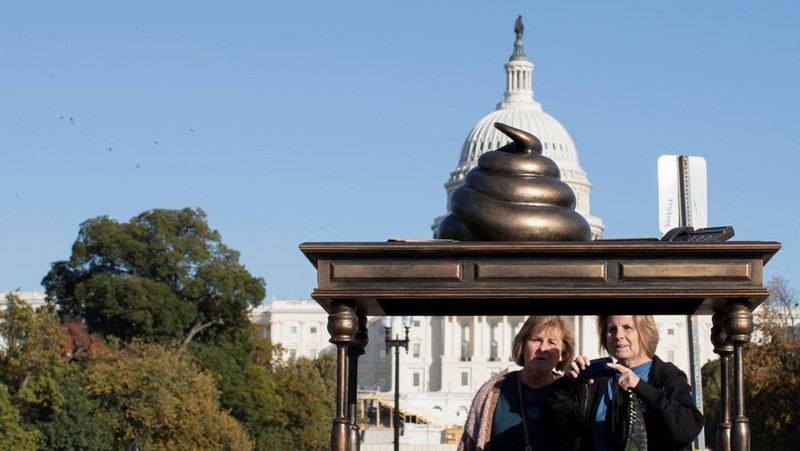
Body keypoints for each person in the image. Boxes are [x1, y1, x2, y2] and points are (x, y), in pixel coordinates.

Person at [546, 315, 704, 451]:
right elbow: (559, 426)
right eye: (611, 329)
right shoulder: (597, 379)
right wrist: (568, 384)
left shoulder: (666, 376)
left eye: (627, 327)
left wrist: (642, 387)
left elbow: (687, 429)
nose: (618, 335)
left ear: (644, 332)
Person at [458, 316, 576, 451]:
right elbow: (468, 444)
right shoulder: (492, 392)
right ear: (522, 346)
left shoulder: (572, 393)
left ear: (563, 354)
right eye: (536, 340)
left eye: (552, 342)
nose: (543, 348)